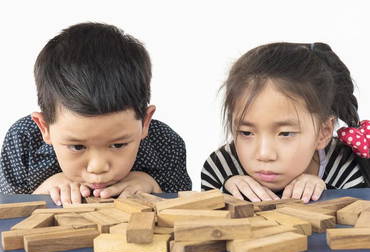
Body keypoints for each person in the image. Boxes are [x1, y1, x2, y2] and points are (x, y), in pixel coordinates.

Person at [0, 22, 192, 205]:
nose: (98, 167)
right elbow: (6, 215)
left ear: (145, 122)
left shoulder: (165, 144)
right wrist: (41, 193)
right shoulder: (24, 140)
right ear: (44, 127)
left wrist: (153, 185)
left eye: (118, 144)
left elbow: (188, 211)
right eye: (76, 147)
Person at [201, 42, 370, 203]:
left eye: (285, 133)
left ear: (323, 132)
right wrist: (224, 194)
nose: (264, 154)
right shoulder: (221, 168)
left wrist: (326, 193)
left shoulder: (345, 166)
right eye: (246, 132)